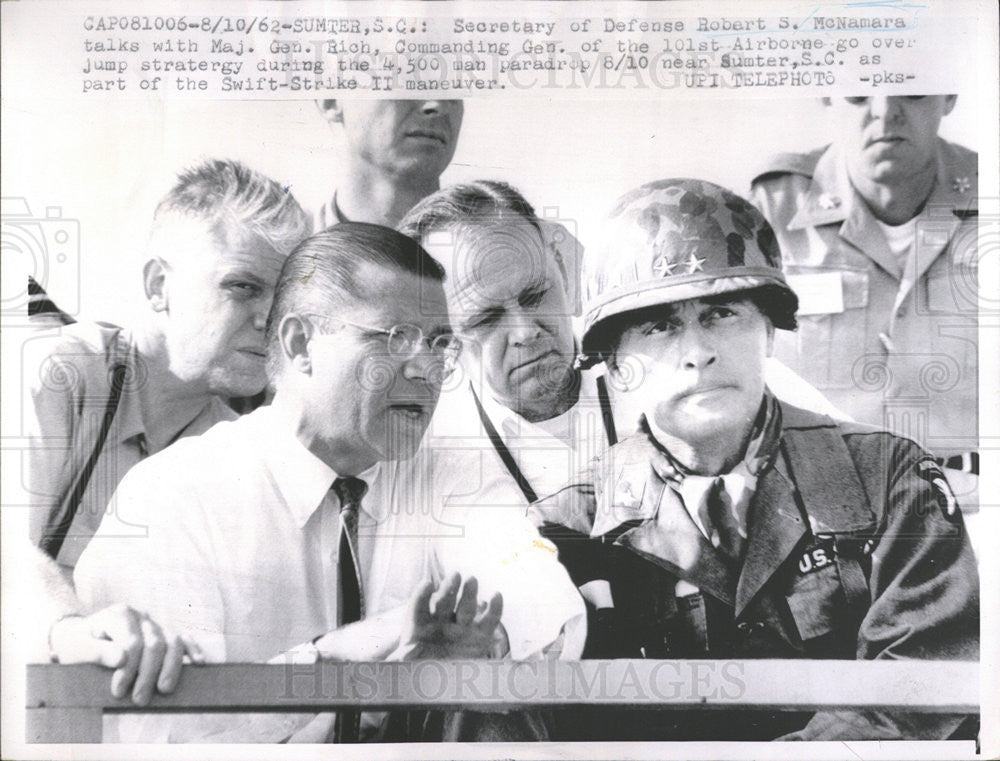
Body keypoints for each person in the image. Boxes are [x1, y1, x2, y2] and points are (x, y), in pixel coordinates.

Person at [74, 223, 585, 742]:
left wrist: (485, 642)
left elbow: (541, 601)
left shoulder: (448, 470)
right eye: (397, 339)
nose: (426, 368)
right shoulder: (171, 497)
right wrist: (346, 656)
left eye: (438, 344)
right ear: (300, 344)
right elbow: (167, 738)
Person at [529, 179, 979, 741]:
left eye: (721, 314)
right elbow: (553, 722)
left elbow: (922, 681)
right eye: (660, 326)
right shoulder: (572, 528)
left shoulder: (888, 480)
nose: (698, 353)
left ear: (768, 330)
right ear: (616, 366)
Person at [398, 181, 846, 572]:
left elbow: (853, 472)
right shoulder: (425, 469)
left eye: (535, 295)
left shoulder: (703, 369)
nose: (524, 332)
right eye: (485, 319)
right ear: (441, 338)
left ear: (561, 267)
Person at [24, 158, 310, 702]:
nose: (270, 320)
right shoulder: (57, 374)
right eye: (243, 287)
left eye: (285, 297)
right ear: (159, 286)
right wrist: (66, 630)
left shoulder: (238, 447)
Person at [750, 96, 979, 509]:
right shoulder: (772, 211)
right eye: (859, 89)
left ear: (948, 95)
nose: (884, 108)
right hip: (815, 503)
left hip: (975, 502)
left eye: (911, 87)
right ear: (826, 95)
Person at [314, 99, 465, 229]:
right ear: (330, 99)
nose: (438, 105)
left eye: (452, 85)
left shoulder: (484, 255)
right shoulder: (293, 256)